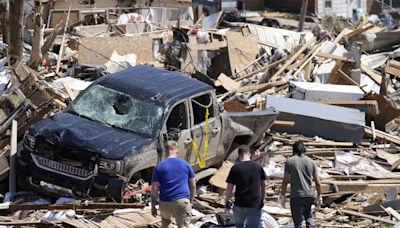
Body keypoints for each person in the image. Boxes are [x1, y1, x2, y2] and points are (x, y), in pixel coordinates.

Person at [151, 140, 196, 228]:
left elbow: (154, 189)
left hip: (165, 201)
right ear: (177, 152)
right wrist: (191, 200)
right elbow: (193, 185)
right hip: (182, 201)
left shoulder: (159, 166)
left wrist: (153, 206)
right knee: (183, 226)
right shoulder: (186, 164)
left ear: (165, 152)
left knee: (166, 222)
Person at [280, 141, 322, 228]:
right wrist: (319, 195)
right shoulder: (311, 162)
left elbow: (285, 181)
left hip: (296, 196)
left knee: (298, 223)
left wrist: (283, 195)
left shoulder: (289, 161)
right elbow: (317, 181)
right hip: (309, 195)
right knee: (308, 216)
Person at [225, 145, 267, 228]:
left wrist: (227, 202)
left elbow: (229, 187)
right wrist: (262, 199)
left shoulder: (235, 168)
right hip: (254, 204)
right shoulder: (258, 167)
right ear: (249, 154)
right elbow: (264, 184)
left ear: (239, 155)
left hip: (239, 204)